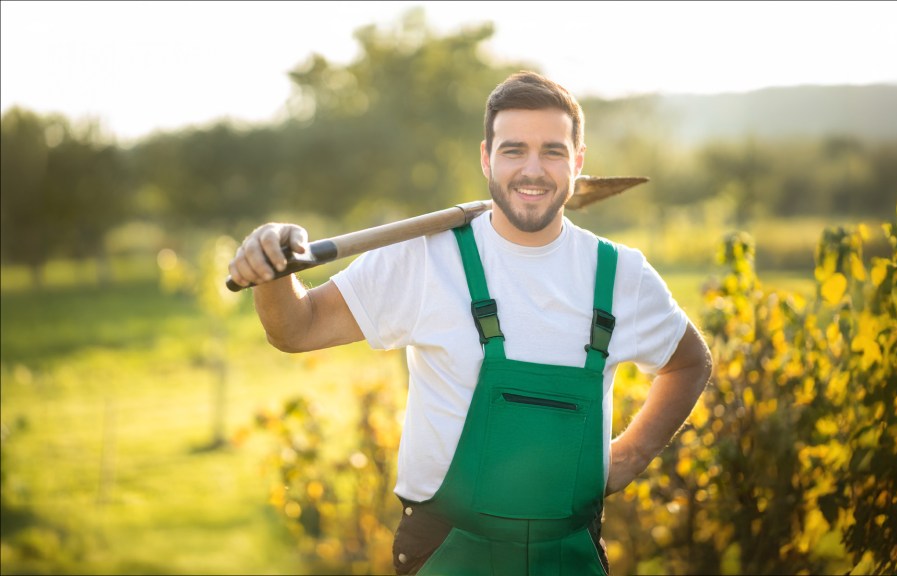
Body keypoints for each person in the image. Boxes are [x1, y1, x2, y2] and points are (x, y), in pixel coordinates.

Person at [228, 71, 712, 575]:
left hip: (569, 556)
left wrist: (630, 456)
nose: (532, 170)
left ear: (579, 160)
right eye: (513, 151)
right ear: (486, 157)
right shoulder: (424, 259)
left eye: (552, 151)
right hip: (447, 555)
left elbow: (690, 362)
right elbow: (296, 328)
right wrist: (273, 270)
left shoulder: (621, 276)